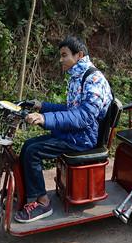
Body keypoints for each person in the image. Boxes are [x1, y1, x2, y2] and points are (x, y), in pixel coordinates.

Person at [14, 36, 113, 223]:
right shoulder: (78, 77)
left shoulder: (94, 79)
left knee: (33, 151)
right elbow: (70, 110)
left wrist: (46, 119)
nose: (61, 59)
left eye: (64, 55)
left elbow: (84, 116)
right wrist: (41, 106)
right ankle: (30, 195)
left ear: (79, 55)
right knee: (27, 146)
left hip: (84, 138)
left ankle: (43, 203)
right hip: (75, 132)